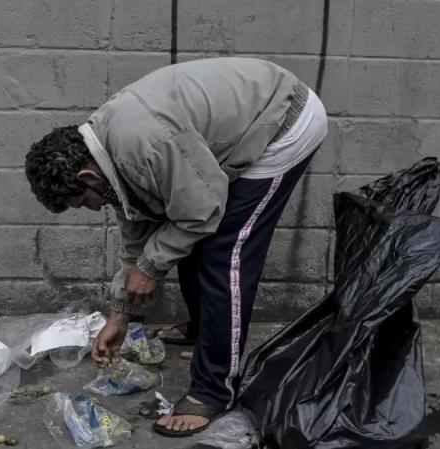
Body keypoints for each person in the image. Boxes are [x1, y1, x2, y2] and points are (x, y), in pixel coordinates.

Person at [24, 57, 327, 437]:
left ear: (88, 176)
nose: (94, 208)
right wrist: (120, 314)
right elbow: (138, 235)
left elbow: (203, 211)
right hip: (248, 119)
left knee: (224, 255)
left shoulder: (144, 146)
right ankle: (204, 327)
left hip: (283, 123)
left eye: (84, 201)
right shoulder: (108, 153)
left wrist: (150, 269)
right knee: (182, 234)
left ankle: (213, 391)